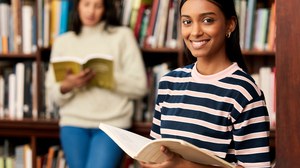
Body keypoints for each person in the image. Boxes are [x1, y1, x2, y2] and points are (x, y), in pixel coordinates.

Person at [140, 0, 271, 168]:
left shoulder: (244, 92)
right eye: (187, 22)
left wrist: (184, 165)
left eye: (207, 20)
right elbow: (156, 153)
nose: (195, 32)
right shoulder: (169, 83)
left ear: (230, 25)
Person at [45, 0, 148, 167]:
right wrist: (68, 85)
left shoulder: (122, 36)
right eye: (86, 4)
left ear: (105, 9)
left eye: (97, 6)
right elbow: (53, 94)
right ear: (77, 6)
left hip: (112, 124)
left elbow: (140, 87)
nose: (91, 11)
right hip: (73, 123)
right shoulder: (63, 42)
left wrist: (107, 78)